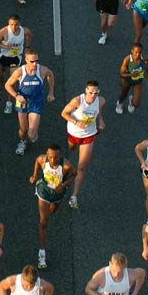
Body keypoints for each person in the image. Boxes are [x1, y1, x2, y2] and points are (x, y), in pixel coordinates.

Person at [29, 144, 76, 270]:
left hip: (57, 192)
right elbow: (37, 162)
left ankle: (53, 205)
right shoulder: (42, 160)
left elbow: (74, 173)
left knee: (53, 210)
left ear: (59, 155)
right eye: (50, 157)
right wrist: (34, 175)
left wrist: (64, 184)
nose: (52, 160)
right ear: (47, 155)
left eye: (55, 157)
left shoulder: (66, 165)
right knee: (44, 221)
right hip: (44, 190)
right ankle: (42, 253)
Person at [61, 80, 105, 209]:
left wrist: (101, 120)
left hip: (89, 135)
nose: (93, 95)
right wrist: (76, 122)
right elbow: (64, 113)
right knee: (72, 148)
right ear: (86, 91)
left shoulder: (101, 101)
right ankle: (67, 163)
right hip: (74, 133)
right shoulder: (77, 101)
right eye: (90, 92)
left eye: (96, 93)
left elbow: (98, 112)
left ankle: (74, 196)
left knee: (81, 166)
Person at [4, 51, 56, 155]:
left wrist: (51, 92)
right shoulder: (19, 72)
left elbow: (50, 74)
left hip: (35, 103)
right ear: (26, 60)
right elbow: (7, 85)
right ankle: (22, 141)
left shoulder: (42, 70)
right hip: (22, 103)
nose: (35, 64)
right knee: (23, 130)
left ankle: (32, 133)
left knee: (31, 135)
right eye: (32, 61)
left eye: (36, 61)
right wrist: (16, 96)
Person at [115, 42, 148, 115]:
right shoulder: (127, 60)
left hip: (138, 81)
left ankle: (131, 101)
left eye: (140, 52)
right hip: (127, 81)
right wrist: (131, 74)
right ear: (132, 51)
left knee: (136, 104)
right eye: (136, 52)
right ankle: (119, 104)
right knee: (124, 94)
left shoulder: (144, 58)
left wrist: (147, 71)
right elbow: (121, 74)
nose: (138, 55)